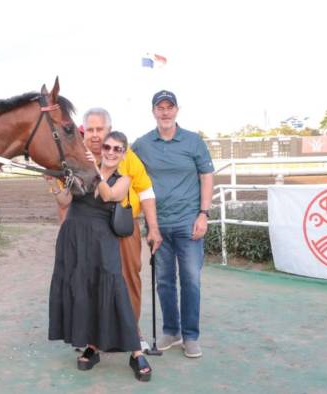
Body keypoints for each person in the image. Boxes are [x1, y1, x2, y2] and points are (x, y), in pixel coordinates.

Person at [46, 108, 163, 349]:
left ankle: (133, 332)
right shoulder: (73, 155)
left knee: (127, 279)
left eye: (101, 129)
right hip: (88, 231)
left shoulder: (124, 154)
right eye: (91, 129)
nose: (96, 135)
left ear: (109, 131)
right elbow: (65, 198)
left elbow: (146, 191)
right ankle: (93, 338)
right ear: (83, 131)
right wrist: (66, 227)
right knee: (88, 281)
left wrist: (153, 228)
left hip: (122, 227)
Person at [132, 90, 214, 358]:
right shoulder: (143, 144)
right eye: (160, 107)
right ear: (153, 111)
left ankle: (190, 335)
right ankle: (171, 330)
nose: (165, 112)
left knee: (191, 280)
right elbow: (123, 166)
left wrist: (204, 213)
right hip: (158, 226)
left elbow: (206, 176)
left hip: (189, 224)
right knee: (165, 281)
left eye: (169, 107)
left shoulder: (193, 141)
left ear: (177, 110)